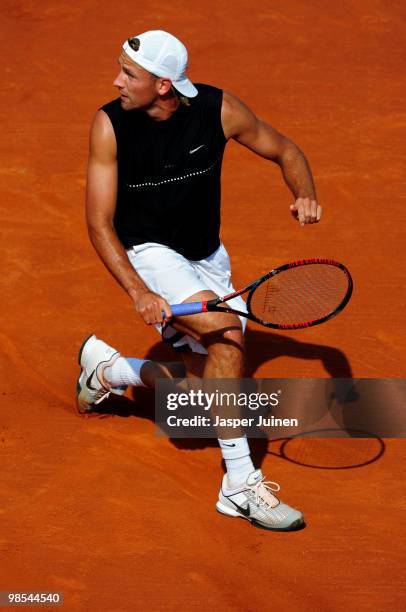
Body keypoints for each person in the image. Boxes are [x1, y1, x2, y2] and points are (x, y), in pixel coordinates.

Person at [77, 30, 322, 531]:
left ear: (164, 85)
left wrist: (305, 194)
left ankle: (109, 371)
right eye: (121, 69)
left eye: (130, 74)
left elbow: (286, 150)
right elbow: (99, 221)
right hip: (149, 251)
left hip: (207, 256)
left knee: (209, 381)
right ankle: (239, 485)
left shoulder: (219, 110)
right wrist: (139, 290)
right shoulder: (110, 125)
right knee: (227, 335)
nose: (117, 81)